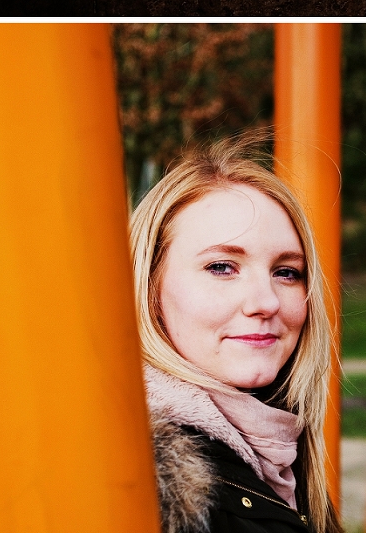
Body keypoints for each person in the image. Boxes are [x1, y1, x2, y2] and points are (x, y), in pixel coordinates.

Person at [131, 136, 341, 533]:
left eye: (286, 272)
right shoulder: (130, 481)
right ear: (149, 287)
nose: (266, 302)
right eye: (222, 267)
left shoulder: (279, 459)